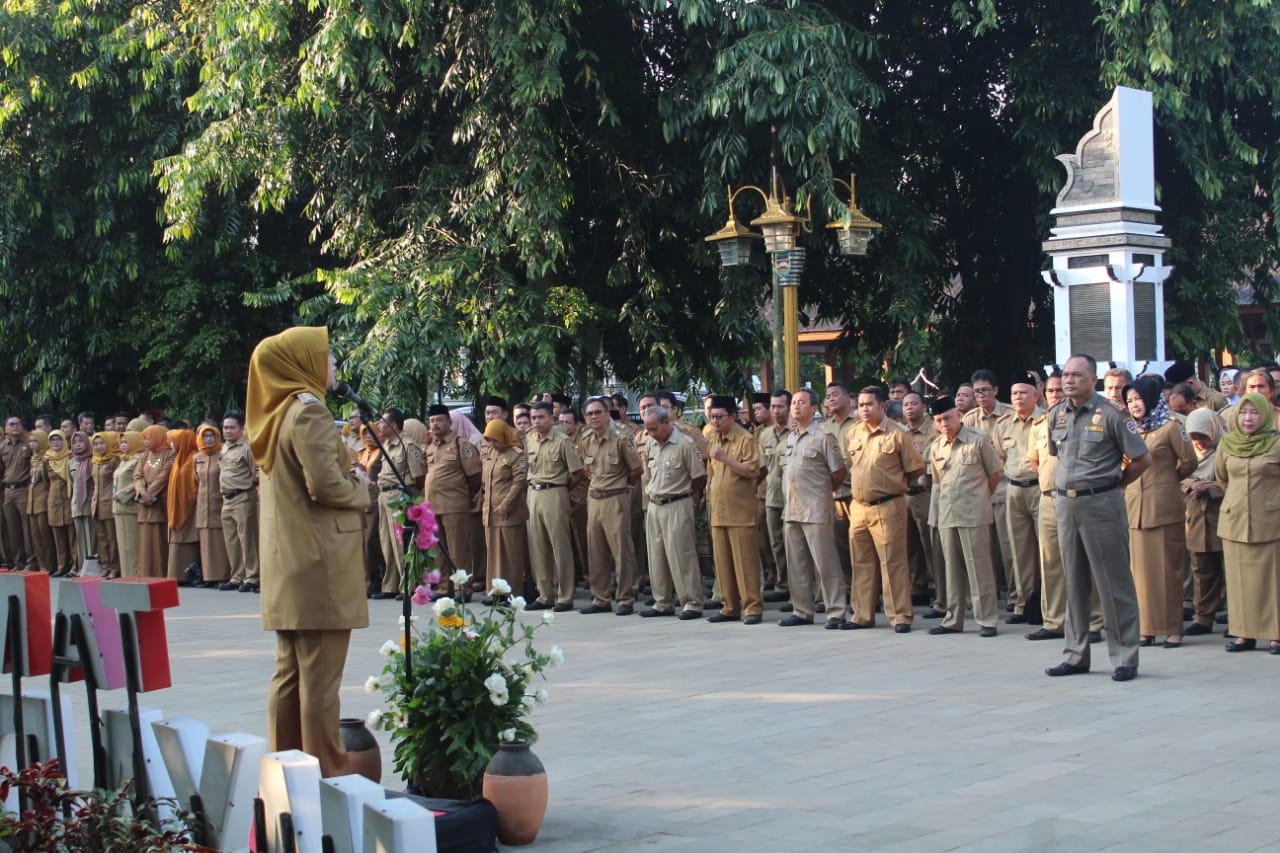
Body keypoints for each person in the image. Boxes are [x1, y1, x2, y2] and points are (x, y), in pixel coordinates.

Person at [248, 326, 371, 777]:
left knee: (290, 676)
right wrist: (360, 488)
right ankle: (327, 777)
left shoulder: (276, 414)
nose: (334, 365)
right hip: (319, 564)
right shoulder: (309, 413)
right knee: (320, 684)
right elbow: (324, 485)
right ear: (301, 363)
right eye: (327, 356)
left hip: (291, 566)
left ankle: (286, 770)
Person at [1045, 354, 1151, 682]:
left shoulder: (1113, 415)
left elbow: (1141, 459)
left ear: (1094, 380)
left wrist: (1112, 484)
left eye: (1077, 375)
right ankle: (1075, 654)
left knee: (1112, 582)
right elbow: (1056, 455)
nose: (1069, 381)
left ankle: (1124, 657)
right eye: (1066, 375)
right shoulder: (1056, 415)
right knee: (1073, 582)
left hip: (1102, 504)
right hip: (1066, 505)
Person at [842, 386, 923, 632]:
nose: (863, 409)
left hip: (888, 505)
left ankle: (900, 616)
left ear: (882, 407)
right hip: (859, 507)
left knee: (893, 562)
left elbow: (916, 469)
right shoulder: (854, 433)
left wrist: (894, 486)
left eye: (869, 404)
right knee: (861, 562)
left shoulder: (898, 434)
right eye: (861, 404)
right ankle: (862, 614)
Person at [1123, 378, 1196, 648]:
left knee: (1169, 571)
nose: (1134, 405)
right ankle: (1147, 628)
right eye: (1130, 401)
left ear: (1151, 399)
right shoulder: (1129, 429)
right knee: (1140, 574)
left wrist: (1168, 480)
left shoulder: (1171, 427)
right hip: (1135, 509)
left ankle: (1173, 628)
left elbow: (1189, 461)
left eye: (1138, 399)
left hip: (1164, 508)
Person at [926, 396, 1002, 637]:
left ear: (958, 415)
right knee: (952, 570)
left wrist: (979, 498)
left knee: (979, 568)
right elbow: (938, 482)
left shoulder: (978, 440)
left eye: (948, 417)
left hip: (974, 514)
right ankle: (953, 619)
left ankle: (987, 619)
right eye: (939, 420)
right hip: (948, 514)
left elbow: (995, 475)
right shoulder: (937, 446)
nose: (944, 423)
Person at [1215, 393, 1280, 654]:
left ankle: (1275, 634)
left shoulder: (1276, 443)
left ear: (1265, 414)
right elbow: (1222, 479)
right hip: (1235, 520)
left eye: (1254, 413)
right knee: (1238, 580)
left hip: (1270, 521)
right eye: (1243, 413)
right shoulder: (1228, 444)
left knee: (1272, 580)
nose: (1248, 418)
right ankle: (1244, 634)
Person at [778, 389, 847, 628]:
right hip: (792, 509)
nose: (795, 407)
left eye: (801, 402)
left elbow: (838, 472)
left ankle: (836, 611)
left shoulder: (823, 436)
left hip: (816, 509)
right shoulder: (790, 437)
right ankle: (802, 610)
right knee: (796, 564)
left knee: (825, 563)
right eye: (793, 403)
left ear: (814, 408)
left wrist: (823, 493)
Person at [637, 404, 706, 620]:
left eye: (654, 428)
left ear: (667, 423)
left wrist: (687, 498)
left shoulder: (685, 444)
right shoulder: (650, 445)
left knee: (682, 555)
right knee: (656, 556)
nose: (651, 433)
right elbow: (647, 474)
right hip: (655, 505)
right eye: (648, 429)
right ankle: (662, 602)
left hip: (677, 503)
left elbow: (698, 478)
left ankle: (692, 602)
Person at [703, 396, 765, 624]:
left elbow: (752, 471)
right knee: (723, 562)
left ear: (732, 416)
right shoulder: (712, 438)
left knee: (745, 561)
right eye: (712, 417)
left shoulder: (745, 439)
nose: (715, 421)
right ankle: (728, 606)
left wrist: (726, 458)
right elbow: (711, 471)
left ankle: (752, 607)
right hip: (719, 510)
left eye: (719, 417)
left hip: (740, 511)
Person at [989, 372, 1044, 624]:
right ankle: (1022, 603)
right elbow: (1000, 455)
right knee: (1019, 550)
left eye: (1023, 392)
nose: (1018, 397)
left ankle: (1047, 604)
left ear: (1036, 394)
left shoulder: (1046, 420)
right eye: (1014, 393)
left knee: (1046, 550)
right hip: (1014, 489)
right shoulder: (1004, 424)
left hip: (1041, 489)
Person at [579, 396, 643, 615]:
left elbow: (636, 469)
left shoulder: (621, 437)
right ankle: (600, 598)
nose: (594, 417)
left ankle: (625, 597)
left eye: (598, 412)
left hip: (616, 498)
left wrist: (624, 484)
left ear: (607, 414)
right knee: (595, 550)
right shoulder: (586, 438)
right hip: (594, 497)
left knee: (621, 549)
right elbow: (586, 469)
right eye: (590, 414)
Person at [524, 401, 584, 611]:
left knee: (560, 545)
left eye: (541, 417)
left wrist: (563, 489)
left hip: (555, 491)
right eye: (533, 418)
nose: (537, 421)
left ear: (551, 418)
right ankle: (544, 595)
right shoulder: (529, 438)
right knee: (538, 546)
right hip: (534, 492)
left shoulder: (563, 441)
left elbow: (577, 473)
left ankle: (565, 596)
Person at [425, 404, 483, 590]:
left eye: (440, 420)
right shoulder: (431, 447)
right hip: (433, 508)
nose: (435, 424)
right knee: (440, 551)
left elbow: (475, 476)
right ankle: (444, 587)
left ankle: (462, 588)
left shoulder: (461, 445)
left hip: (455, 507)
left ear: (449, 422)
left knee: (459, 551)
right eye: (432, 420)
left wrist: (465, 494)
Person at [372, 408, 425, 599]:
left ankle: (408, 585)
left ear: (393, 426)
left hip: (400, 496)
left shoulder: (408, 446)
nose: (378, 426)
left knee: (402, 542)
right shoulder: (386, 445)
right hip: (384, 495)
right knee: (386, 541)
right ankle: (391, 585)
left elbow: (419, 478)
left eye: (381, 423)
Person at [1182, 408, 1225, 638]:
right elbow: (1175, 476)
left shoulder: (1226, 449)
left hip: (1222, 517)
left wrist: (1210, 487)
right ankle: (1203, 617)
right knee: (1202, 570)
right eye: (1194, 437)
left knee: (1229, 570)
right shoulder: (1188, 455)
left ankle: (1238, 618)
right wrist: (1191, 484)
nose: (1198, 442)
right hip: (1196, 518)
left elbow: (1232, 480)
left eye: (1203, 436)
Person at [901, 391, 943, 615]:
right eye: (905, 404)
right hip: (904, 493)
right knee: (910, 544)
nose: (909, 407)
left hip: (925, 491)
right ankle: (918, 586)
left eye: (914, 403)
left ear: (923, 406)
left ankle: (937, 586)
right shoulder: (900, 432)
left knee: (930, 542)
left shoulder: (934, 429)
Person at [480, 419, 529, 596]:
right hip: (491, 512)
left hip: (510, 512)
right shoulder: (490, 454)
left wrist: (506, 504)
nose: (492, 443)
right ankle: (495, 591)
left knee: (511, 555)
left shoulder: (516, 454)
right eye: (489, 440)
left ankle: (514, 592)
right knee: (493, 555)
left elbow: (519, 482)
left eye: (495, 439)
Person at [219, 412, 261, 592]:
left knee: (247, 539)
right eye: (225, 427)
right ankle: (236, 577)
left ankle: (252, 577)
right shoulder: (225, 448)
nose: (227, 431)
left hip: (243, 497)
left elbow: (256, 474)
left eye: (231, 427)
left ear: (241, 429)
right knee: (231, 540)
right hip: (226, 499)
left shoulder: (248, 448)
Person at [760, 391, 791, 600]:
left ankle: (800, 588)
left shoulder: (797, 432)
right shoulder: (765, 435)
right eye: (773, 406)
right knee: (776, 543)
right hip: (772, 495)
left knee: (794, 544)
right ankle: (782, 584)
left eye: (780, 406)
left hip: (793, 496)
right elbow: (762, 467)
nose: (776, 410)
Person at [134, 424, 174, 578]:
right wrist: (141, 492)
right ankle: (145, 573)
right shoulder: (143, 455)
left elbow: (164, 476)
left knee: (159, 541)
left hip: (159, 502)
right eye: (144, 439)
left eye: (148, 438)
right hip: (144, 503)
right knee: (145, 542)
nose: (145, 442)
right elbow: (137, 476)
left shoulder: (169, 454)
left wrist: (149, 494)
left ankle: (161, 573)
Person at [194, 424, 231, 587]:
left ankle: (222, 575)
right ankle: (208, 576)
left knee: (220, 541)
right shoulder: (197, 457)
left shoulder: (223, 454)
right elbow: (196, 479)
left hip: (219, 501)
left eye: (211, 436)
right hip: (203, 503)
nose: (208, 439)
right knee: (206, 540)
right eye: (205, 436)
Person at [165, 430, 201, 584]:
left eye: (173, 441)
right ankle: (176, 575)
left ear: (183, 442)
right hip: (177, 507)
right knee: (177, 541)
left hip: (188, 508)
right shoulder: (179, 459)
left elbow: (191, 487)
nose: (170, 445)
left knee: (187, 540)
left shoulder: (191, 459)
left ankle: (186, 576)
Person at [1, 415, 33, 570]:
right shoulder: (2, 447)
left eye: (19, 424)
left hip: (23, 489)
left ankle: (31, 562)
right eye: (12, 424)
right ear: (5, 429)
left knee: (27, 529)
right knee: (12, 529)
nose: (16, 426)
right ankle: (18, 562)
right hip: (8, 490)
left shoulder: (28, 444)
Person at [90, 432, 121, 578]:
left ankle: (115, 567)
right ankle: (105, 565)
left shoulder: (114, 460)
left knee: (112, 538)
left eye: (102, 443)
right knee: (101, 538)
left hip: (109, 503)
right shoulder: (95, 460)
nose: (99, 446)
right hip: (97, 504)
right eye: (96, 444)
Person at [113, 430, 143, 577]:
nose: (123, 445)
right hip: (118, 508)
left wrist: (123, 494)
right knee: (123, 546)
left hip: (129, 506)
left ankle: (134, 574)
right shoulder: (124, 459)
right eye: (122, 442)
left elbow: (138, 481)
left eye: (126, 442)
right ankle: (126, 575)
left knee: (132, 545)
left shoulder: (138, 459)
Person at [46, 430, 75, 576]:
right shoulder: (48, 459)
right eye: (52, 440)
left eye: (58, 440)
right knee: (59, 537)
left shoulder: (70, 456)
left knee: (72, 535)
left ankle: (75, 565)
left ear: (64, 441)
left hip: (68, 498)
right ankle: (62, 565)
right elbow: (45, 483)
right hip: (53, 501)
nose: (55, 443)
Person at [25, 430, 55, 573]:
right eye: (30, 441)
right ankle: (42, 566)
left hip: (42, 501)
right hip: (32, 501)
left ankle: (49, 566)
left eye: (35, 441)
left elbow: (47, 483)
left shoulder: (45, 459)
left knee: (45, 536)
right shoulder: (33, 459)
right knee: (35, 537)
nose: (32, 444)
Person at [69, 431, 96, 571]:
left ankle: (92, 568)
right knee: (80, 538)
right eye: (75, 442)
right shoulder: (71, 462)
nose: (78, 445)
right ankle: (82, 569)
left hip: (89, 501)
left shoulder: (93, 460)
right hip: (76, 504)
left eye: (81, 441)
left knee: (91, 537)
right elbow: (71, 483)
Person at [1164, 360, 1228, 412]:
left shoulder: (1216, 399)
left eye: (1177, 388)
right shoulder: (1174, 400)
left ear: (1190, 383)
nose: (1175, 392)